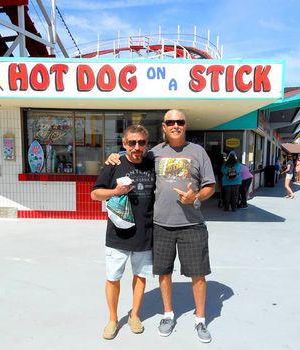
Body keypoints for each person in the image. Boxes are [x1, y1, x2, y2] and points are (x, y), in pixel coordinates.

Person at [106, 110, 215, 343]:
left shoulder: (198, 152)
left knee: (198, 274)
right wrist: (114, 156)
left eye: (180, 121)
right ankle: (168, 314)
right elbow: (131, 156)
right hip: (160, 225)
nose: (176, 125)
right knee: (164, 273)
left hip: (192, 224)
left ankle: (200, 319)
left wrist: (196, 196)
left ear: (185, 126)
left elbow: (210, 186)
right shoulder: (153, 153)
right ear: (164, 127)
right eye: (170, 122)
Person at [91, 125, 155, 340]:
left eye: (141, 142)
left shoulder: (152, 164)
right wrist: (115, 192)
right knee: (113, 278)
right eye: (132, 143)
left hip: (145, 233)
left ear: (147, 144)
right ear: (124, 144)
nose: (137, 147)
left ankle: (134, 315)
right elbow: (95, 194)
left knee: (140, 276)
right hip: (117, 234)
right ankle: (112, 319)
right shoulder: (114, 164)